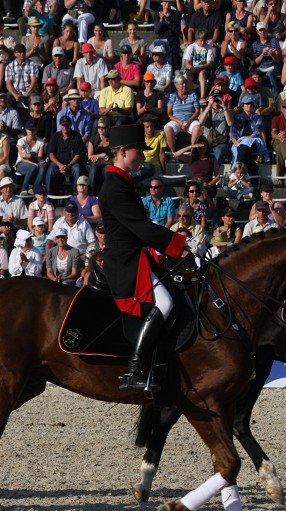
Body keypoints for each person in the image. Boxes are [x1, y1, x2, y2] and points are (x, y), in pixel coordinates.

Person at [98, 124, 187, 393]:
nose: (143, 156)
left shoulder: (123, 182)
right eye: (140, 151)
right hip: (125, 262)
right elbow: (142, 227)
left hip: (135, 256)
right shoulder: (115, 187)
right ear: (124, 152)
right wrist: (179, 245)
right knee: (165, 302)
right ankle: (135, 369)